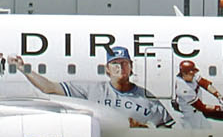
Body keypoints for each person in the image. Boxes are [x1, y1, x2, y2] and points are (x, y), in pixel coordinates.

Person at [14, 45, 173, 128]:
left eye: (125, 63)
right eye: (115, 64)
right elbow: (49, 88)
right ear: (107, 69)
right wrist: (24, 69)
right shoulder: (93, 90)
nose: (121, 68)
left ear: (131, 67)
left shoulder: (146, 98)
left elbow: (168, 130)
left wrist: (144, 129)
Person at [171, 60, 223, 127]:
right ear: (184, 74)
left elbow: (205, 84)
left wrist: (219, 96)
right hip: (188, 118)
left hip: (197, 114)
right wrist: (220, 108)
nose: (194, 74)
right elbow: (201, 107)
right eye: (192, 73)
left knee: (209, 131)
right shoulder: (183, 88)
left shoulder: (190, 75)